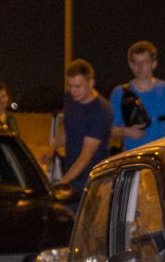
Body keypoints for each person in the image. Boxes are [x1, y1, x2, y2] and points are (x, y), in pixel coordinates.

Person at [41, 59, 113, 209]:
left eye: (78, 86)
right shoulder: (71, 98)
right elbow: (66, 126)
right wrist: (52, 148)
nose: (73, 91)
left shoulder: (100, 111)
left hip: (92, 180)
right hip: (71, 174)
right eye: (70, 86)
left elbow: (86, 157)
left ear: (91, 83)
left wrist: (61, 183)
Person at [109, 41, 165, 151]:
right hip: (133, 157)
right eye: (136, 62)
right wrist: (126, 131)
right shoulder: (119, 93)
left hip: (160, 155)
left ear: (153, 64)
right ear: (130, 64)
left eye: (145, 62)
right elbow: (110, 129)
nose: (140, 67)